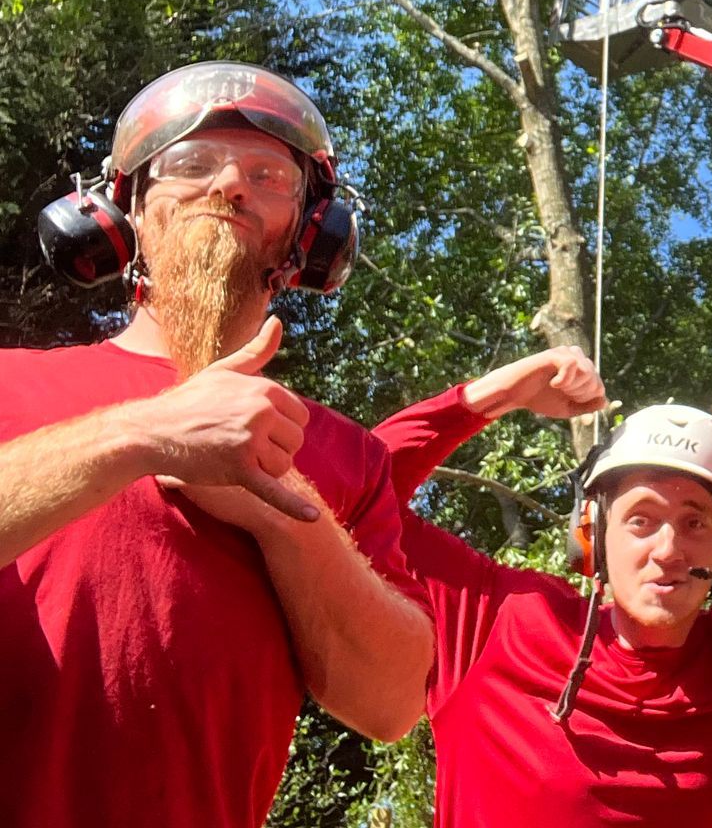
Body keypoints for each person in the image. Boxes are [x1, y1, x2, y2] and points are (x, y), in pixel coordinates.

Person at [0, 61, 432, 827]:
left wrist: (277, 506)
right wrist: (143, 433)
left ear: (314, 234)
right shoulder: (9, 384)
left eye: (268, 175)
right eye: (189, 165)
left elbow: (393, 701)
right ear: (121, 215)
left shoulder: (348, 456)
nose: (229, 183)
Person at [372, 346, 712, 826]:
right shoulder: (496, 624)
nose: (668, 550)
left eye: (695, 522)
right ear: (593, 533)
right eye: (641, 520)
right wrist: (495, 394)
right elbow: (349, 489)